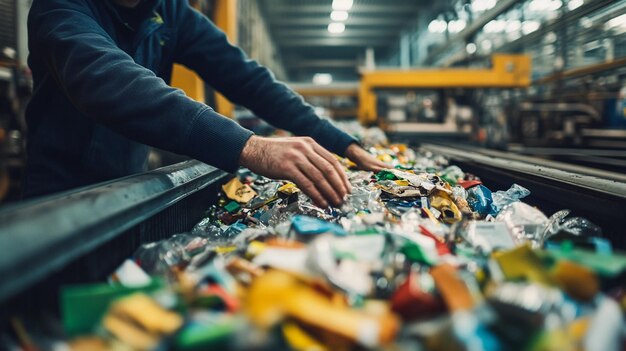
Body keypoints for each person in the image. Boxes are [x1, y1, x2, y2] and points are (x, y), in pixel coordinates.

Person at [24, 0, 387, 207]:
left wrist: (341, 142)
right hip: (57, 199)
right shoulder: (59, 9)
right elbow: (109, 81)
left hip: (125, 192)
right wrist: (251, 147)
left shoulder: (167, 11)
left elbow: (248, 79)